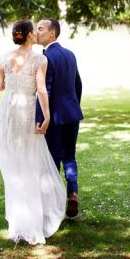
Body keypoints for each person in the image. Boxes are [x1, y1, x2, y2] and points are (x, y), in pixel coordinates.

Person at [0, 19, 66, 244]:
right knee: (29, 164)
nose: (37, 32)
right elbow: (42, 90)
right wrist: (46, 115)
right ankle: (31, 222)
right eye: (33, 30)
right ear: (27, 35)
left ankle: (17, 222)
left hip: (8, 110)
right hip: (25, 110)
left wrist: (9, 79)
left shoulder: (5, 57)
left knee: (15, 165)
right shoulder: (39, 59)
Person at [35, 19, 83, 218]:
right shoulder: (70, 54)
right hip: (72, 115)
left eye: (40, 28)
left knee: (52, 160)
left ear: (52, 34)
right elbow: (78, 85)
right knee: (69, 157)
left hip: (54, 118)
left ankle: (53, 207)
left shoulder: (46, 58)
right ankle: (72, 193)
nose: (36, 32)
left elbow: (44, 90)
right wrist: (74, 107)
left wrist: (40, 117)